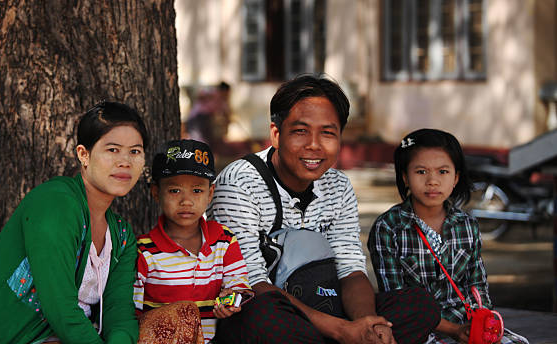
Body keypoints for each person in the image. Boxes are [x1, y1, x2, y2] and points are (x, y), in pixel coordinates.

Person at [208, 75, 440, 344]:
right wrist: (341, 331)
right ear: (276, 134)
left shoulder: (338, 186)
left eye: (327, 133)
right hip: (268, 312)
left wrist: (368, 325)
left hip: (327, 308)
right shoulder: (239, 182)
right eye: (300, 131)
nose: (314, 145)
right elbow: (251, 282)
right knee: (262, 315)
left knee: (421, 305)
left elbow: (351, 270)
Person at [0, 101, 146, 344]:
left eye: (135, 151)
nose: (125, 161)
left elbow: (119, 309)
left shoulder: (122, 235)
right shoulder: (55, 204)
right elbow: (61, 309)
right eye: (112, 150)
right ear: (84, 155)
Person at [368, 128, 529, 344]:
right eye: (421, 172)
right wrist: (453, 330)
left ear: (456, 178)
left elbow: (478, 285)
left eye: (443, 172)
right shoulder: (388, 227)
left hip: (467, 322)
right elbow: (397, 300)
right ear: (405, 177)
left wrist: (483, 326)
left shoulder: (467, 225)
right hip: (417, 329)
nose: (432, 181)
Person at [133, 139, 252, 344]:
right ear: (156, 193)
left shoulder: (223, 239)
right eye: (174, 190)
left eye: (197, 191)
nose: (186, 201)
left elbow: (239, 285)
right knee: (183, 312)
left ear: (210, 194)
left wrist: (231, 299)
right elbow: (132, 314)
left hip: (216, 339)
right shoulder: (144, 250)